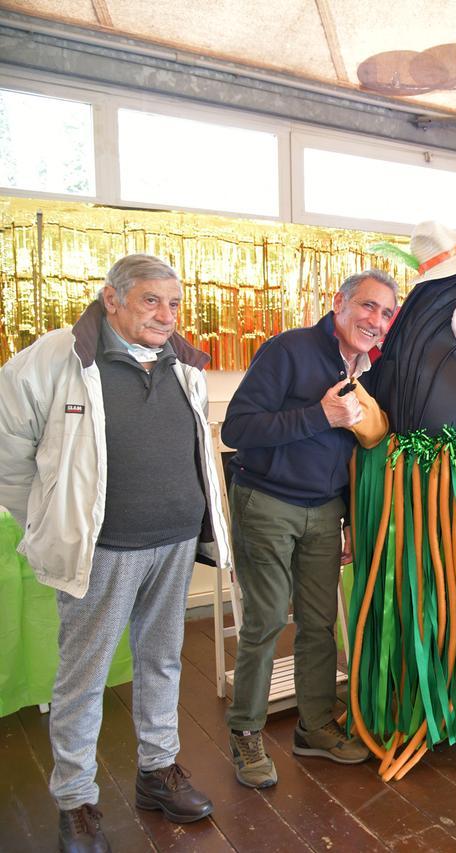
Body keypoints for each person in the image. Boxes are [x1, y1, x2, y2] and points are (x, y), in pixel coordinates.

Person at [0, 254, 230, 852]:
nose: (166, 314)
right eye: (151, 300)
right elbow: (8, 452)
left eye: (174, 303)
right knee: (85, 674)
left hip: (175, 541)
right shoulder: (55, 358)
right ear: (112, 299)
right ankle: (75, 801)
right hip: (103, 550)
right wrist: (50, 520)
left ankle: (158, 771)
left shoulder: (185, 364)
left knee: (163, 660)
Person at [222, 269, 398, 788]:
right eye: (368, 307)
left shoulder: (367, 369)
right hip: (268, 502)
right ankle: (245, 733)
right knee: (268, 620)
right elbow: (239, 429)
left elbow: (348, 450)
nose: (376, 320)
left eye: (386, 314)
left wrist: (344, 517)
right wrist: (319, 414)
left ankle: (315, 726)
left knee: (321, 623)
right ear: (339, 303)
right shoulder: (289, 349)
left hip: (324, 512)